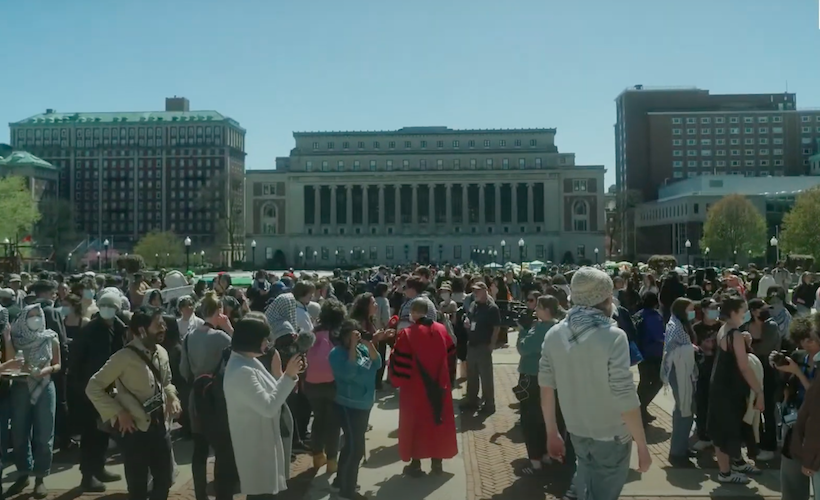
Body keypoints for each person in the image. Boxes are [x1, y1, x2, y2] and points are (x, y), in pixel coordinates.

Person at [539, 267, 651, 500]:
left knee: (586, 480)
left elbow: (546, 388)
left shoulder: (554, 335)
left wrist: (552, 432)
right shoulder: (613, 336)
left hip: (577, 429)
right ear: (606, 297)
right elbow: (625, 395)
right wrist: (641, 443)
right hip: (612, 434)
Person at [85, 306, 181, 500]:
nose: (163, 328)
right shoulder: (123, 357)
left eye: (163, 323)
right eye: (158, 324)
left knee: (164, 480)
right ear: (142, 330)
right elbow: (93, 387)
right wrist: (118, 412)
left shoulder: (162, 352)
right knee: (138, 486)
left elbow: (167, 382)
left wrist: (172, 396)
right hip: (134, 431)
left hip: (160, 427)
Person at [224, 316, 303, 500]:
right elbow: (268, 407)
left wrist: (289, 376)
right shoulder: (242, 371)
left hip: (263, 440)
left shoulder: (249, 361)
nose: (268, 343)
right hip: (255, 446)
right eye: (264, 339)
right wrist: (288, 377)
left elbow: (272, 389)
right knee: (261, 495)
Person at [69, 292, 128, 492]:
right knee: (90, 433)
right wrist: (81, 389)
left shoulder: (120, 328)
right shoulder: (89, 330)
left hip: (111, 387)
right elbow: (76, 362)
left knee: (104, 430)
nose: (107, 308)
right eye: (103, 305)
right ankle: (87, 475)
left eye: (111, 306)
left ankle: (99, 467)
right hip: (91, 388)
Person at [390, 300, 456, 477]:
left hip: (415, 390)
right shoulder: (442, 330)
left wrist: (395, 379)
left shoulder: (407, 334)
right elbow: (451, 358)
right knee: (437, 423)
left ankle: (416, 465)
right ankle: (437, 465)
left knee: (416, 426)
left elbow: (398, 365)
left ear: (413, 312)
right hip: (439, 386)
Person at [181, 292, 236, 500]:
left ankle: (199, 494)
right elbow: (243, 353)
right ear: (220, 311)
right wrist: (230, 327)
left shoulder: (188, 337)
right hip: (218, 399)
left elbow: (184, 370)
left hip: (196, 397)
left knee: (199, 449)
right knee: (222, 448)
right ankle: (223, 494)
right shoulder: (222, 337)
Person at [5, 305, 62, 499]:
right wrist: (7, 338)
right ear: (23, 318)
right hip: (20, 387)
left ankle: (40, 478)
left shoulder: (50, 336)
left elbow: (57, 363)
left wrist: (45, 371)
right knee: (20, 433)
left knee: (44, 436)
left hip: (45, 387)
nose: (36, 318)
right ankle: (23, 474)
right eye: (31, 315)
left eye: (39, 315)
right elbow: (12, 360)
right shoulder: (16, 338)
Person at [329, 319, 387, 500]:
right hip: (348, 406)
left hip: (364, 404)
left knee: (350, 446)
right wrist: (353, 346)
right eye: (352, 335)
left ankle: (341, 481)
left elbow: (377, 364)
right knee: (356, 449)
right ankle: (348, 491)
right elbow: (349, 372)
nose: (355, 337)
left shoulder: (363, 348)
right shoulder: (336, 354)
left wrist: (368, 343)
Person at [707, 295, 762, 484]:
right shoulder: (735, 334)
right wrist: (759, 391)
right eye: (743, 310)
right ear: (733, 312)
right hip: (728, 388)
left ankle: (736, 462)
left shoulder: (726, 329)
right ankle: (725, 473)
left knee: (729, 427)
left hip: (722, 386)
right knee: (724, 430)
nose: (746, 314)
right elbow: (744, 367)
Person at [515, 295, 563, 475]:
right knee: (548, 418)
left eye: (538, 307)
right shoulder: (559, 327)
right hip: (553, 379)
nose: (535, 310)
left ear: (546, 310)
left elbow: (524, 348)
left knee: (530, 419)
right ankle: (546, 455)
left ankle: (535, 461)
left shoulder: (541, 329)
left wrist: (522, 331)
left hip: (532, 377)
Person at [776, 313, 820, 499]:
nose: (807, 344)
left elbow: (815, 398)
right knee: (791, 478)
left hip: (814, 425)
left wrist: (797, 372)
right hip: (794, 422)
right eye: (803, 340)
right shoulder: (798, 356)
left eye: (811, 340)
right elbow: (787, 387)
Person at [304, 300, 347, 473]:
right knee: (333, 423)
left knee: (318, 420)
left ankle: (317, 456)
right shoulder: (339, 334)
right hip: (333, 383)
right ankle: (331, 460)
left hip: (312, 383)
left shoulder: (313, 332)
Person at [661, 297, 698, 467]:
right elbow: (671, 350)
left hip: (686, 371)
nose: (692, 312)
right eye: (690, 309)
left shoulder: (682, 324)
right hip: (679, 372)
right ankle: (677, 452)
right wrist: (692, 349)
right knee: (683, 409)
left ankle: (682, 446)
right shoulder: (674, 327)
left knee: (686, 408)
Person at [744, 298, 781, 461]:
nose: (766, 312)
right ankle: (754, 443)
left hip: (768, 370)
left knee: (768, 408)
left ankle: (769, 445)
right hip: (750, 369)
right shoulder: (745, 325)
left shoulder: (771, 326)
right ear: (753, 311)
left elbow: (766, 348)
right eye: (763, 309)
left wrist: (749, 346)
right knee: (750, 407)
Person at [460, 281, 501, 415]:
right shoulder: (473, 305)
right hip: (472, 344)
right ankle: (472, 400)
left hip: (484, 345)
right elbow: (469, 317)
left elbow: (496, 328)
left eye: (478, 290)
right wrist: (467, 321)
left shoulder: (492, 308)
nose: (475, 293)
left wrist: (492, 345)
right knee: (471, 375)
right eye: (474, 291)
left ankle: (489, 403)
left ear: (485, 291)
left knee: (486, 376)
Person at [634, 292, 665, 425]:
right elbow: (659, 335)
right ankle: (641, 408)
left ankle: (641, 409)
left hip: (641, 353)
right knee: (658, 381)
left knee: (644, 382)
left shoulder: (638, 314)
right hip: (654, 353)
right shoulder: (654, 316)